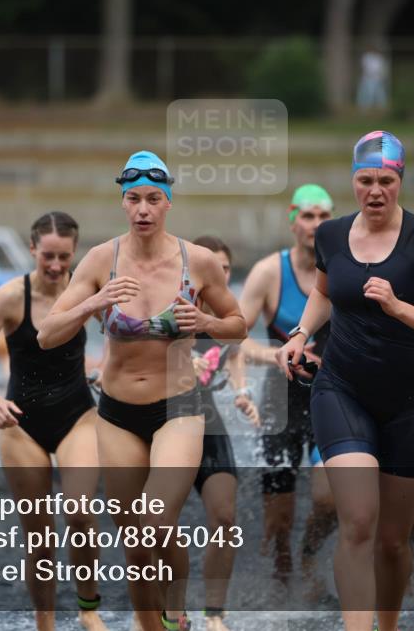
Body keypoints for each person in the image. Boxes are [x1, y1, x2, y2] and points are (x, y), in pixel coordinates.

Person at [37, 151, 246, 631]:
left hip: (179, 408)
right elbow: (47, 334)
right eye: (134, 199)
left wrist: (206, 321)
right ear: (123, 203)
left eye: (154, 199)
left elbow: (237, 325)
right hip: (117, 414)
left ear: (168, 202)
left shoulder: (198, 262)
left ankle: (177, 612)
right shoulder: (100, 260)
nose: (143, 209)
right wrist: (93, 301)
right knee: (135, 543)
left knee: (155, 520)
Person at [277, 131, 414, 631]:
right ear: (353, 181)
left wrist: (399, 307)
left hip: (412, 404)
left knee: (392, 541)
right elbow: (324, 293)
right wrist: (300, 334)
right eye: (365, 180)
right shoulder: (331, 235)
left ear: (400, 180)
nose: (375, 191)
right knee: (359, 522)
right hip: (342, 390)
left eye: (386, 180)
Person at [0, 212, 107, 631]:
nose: (56, 266)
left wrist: (108, 369)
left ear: (75, 253)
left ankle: (89, 610)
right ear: (32, 250)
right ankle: (45, 622)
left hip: (78, 415)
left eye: (64, 257)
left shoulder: (86, 291)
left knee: (80, 512)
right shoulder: (9, 297)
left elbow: (121, 333)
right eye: (47, 256)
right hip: (20, 425)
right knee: (39, 539)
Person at [236, 184, 338, 585]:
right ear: (293, 221)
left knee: (329, 500)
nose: (316, 224)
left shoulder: (345, 268)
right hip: (281, 404)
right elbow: (235, 340)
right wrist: (276, 354)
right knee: (277, 523)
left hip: (332, 401)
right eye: (308, 216)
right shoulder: (269, 273)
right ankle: (283, 583)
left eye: (324, 216)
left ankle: (309, 553)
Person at [189, 235, 260, 631]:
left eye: (225, 269)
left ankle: (214, 613)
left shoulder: (227, 316)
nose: (217, 274)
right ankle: (158, 610)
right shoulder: (170, 307)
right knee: (155, 523)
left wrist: (242, 393)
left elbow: (234, 354)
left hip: (206, 421)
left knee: (225, 517)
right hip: (157, 420)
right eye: (210, 266)